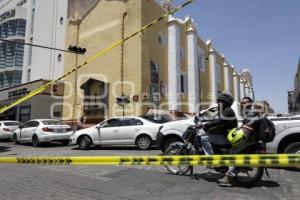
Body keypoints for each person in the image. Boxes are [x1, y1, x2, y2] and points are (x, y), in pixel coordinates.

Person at [217, 102, 267, 186]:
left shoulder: (254, 117)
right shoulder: (257, 116)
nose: (244, 105)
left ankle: (229, 177)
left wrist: (235, 134)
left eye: (247, 104)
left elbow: (246, 131)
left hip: (250, 140)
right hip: (253, 139)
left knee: (232, 152)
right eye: (243, 103)